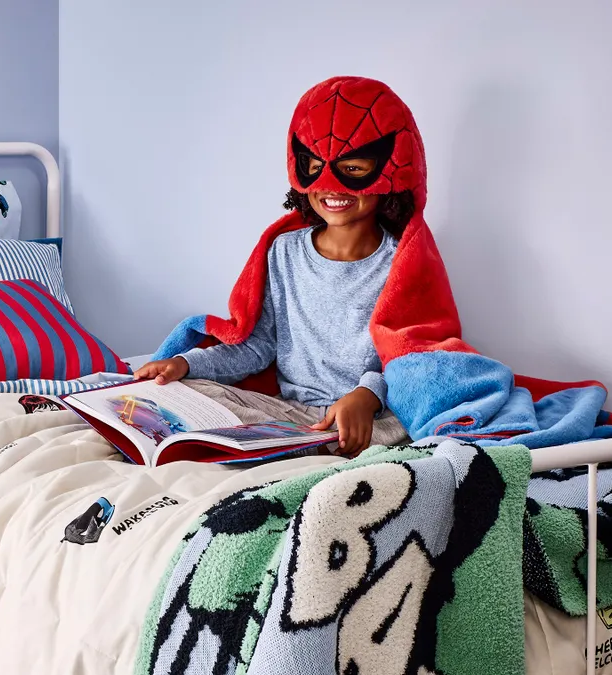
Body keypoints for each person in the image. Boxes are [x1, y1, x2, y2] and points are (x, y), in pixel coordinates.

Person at [135, 85, 418, 455]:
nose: (331, 184)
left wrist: (366, 395)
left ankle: (306, 451)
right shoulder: (283, 252)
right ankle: (291, 446)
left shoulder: (401, 260)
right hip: (292, 414)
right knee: (181, 394)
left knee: (402, 428)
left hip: (372, 418)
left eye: (352, 169)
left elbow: (409, 355)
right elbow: (257, 345)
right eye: (316, 168)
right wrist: (185, 364)